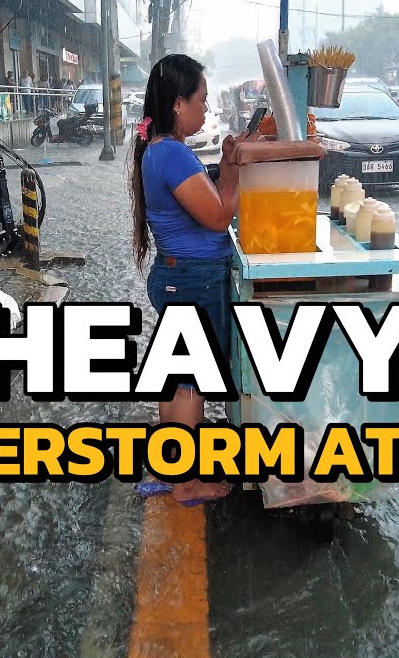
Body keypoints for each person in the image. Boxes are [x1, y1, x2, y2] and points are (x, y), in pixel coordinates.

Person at [129, 54, 254, 505]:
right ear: (178, 103)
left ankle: (168, 471)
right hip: (195, 280)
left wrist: (222, 162)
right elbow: (220, 216)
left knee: (175, 377)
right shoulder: (172, 153)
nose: (204, 110)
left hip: (178, 275)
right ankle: (186, 483)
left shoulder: (159, 149)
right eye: (200, 101)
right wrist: (234, 166)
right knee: (192, 381)